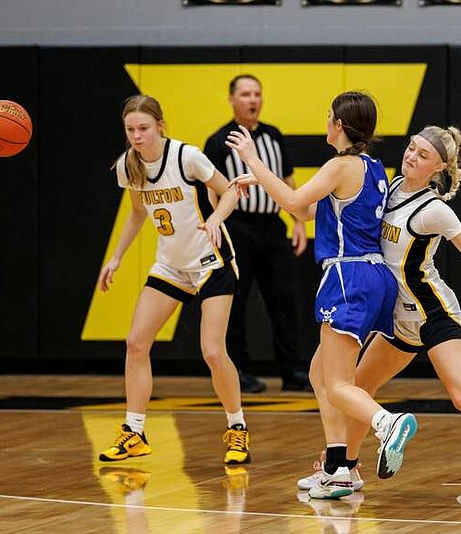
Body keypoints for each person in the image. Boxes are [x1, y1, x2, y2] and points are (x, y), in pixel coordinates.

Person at [297, 126, 461, 508]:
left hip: (433, 314)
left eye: (423, 155)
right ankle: (346, 468)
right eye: (411, 148)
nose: (411, 156)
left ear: (438, 167)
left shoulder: (436, 210)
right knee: (356, 387)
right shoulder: (388, 190)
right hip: (397, 321)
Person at [226, 91, 418, 499]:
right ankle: (338, 467)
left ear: (340, 126)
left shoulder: (339, 164)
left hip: (348, 277)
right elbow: (309, 211)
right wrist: (260, 180)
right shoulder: (371, 167)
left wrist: (253, 160)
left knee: (337, 383)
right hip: (375, 277)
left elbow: (295, 199)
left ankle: (388, 424)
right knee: (319, 374)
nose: (325, 121)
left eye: (328, 116)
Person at [97, 94, 251, 466]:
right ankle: (135, 432)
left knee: (213, 352)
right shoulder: (128, 166)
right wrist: (116, 257)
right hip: (170, 264)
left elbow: (232, 188)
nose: (136, 136)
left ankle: (237, 428)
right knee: (136, 343)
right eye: (130, 130)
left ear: (160, 125)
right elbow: (137, 213)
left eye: (143, 128)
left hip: (211, 261)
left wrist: (215, 220)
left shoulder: (186, 157)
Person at [204, 74, 310, 393]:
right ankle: (239, 371)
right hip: (237, 228)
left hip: (273, 227)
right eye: (246, 94)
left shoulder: (274, 136)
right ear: (232, 100)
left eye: (257, 94)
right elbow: (210, 189)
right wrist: (217, 224)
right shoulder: (218, 140)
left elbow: (288, 182)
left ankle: (291, 370)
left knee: (283, 299)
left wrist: (300, 222)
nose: (253, 100)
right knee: (235, 301)